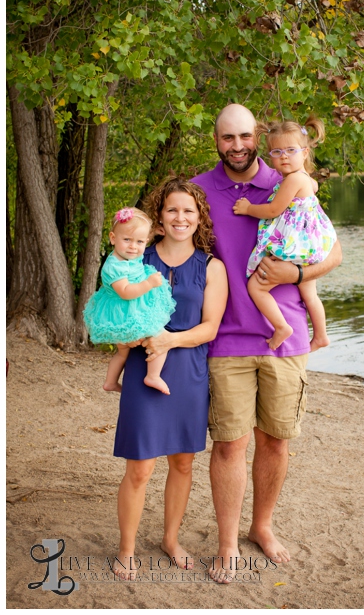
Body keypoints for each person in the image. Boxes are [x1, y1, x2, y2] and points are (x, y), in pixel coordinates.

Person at [193, 103, 342, 584]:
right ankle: (226, 543)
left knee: (275, 441)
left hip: (287, 335)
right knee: (229, 445)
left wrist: (297, 273)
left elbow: (332, 250)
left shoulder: (285, 177)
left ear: (258, 137)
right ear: (215, 140)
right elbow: (175, 250)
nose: (237, 146)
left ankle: (262, 527)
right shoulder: (198, 190)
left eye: (244, 136)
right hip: (226, 337)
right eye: (226, 138)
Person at [112, 178, 228, 579]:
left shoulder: (212, 266)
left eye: (188, 211)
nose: (180, 218)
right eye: (172, 210)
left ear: (199, 219)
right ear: (159, 216)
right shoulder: (137, 261)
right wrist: (141, 337)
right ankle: (126, 549)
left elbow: (210, 327)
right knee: (140, 467)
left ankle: (170, 539)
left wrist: (170, 339)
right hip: (145, 364)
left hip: (188, 371)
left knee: (182, 463)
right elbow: (117, 308)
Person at [233, 117, 337, 352]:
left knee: (256, 288)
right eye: (277, 152)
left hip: (294, 246)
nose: (284, 156)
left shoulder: (294, 180)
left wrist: (248, 208)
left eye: (291, 150)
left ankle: (281, 326)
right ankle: (321, 335)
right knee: (310, 294)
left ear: (305, 152)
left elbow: (273, 210)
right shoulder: (307, 179)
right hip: (309, 246)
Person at [83, 207, 176, 394]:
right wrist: (149, 283)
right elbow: (126, 292)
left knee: (122, 353)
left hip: (126, 309)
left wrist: (158, 230)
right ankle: (153, 376)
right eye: (127, 240)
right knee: (159, 336)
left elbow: (139, 236)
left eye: (140, 242)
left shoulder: (126, 253)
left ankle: (110, 382)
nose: (134, 246)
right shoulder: (114, 267)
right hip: (125, 312)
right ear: (112, 238)